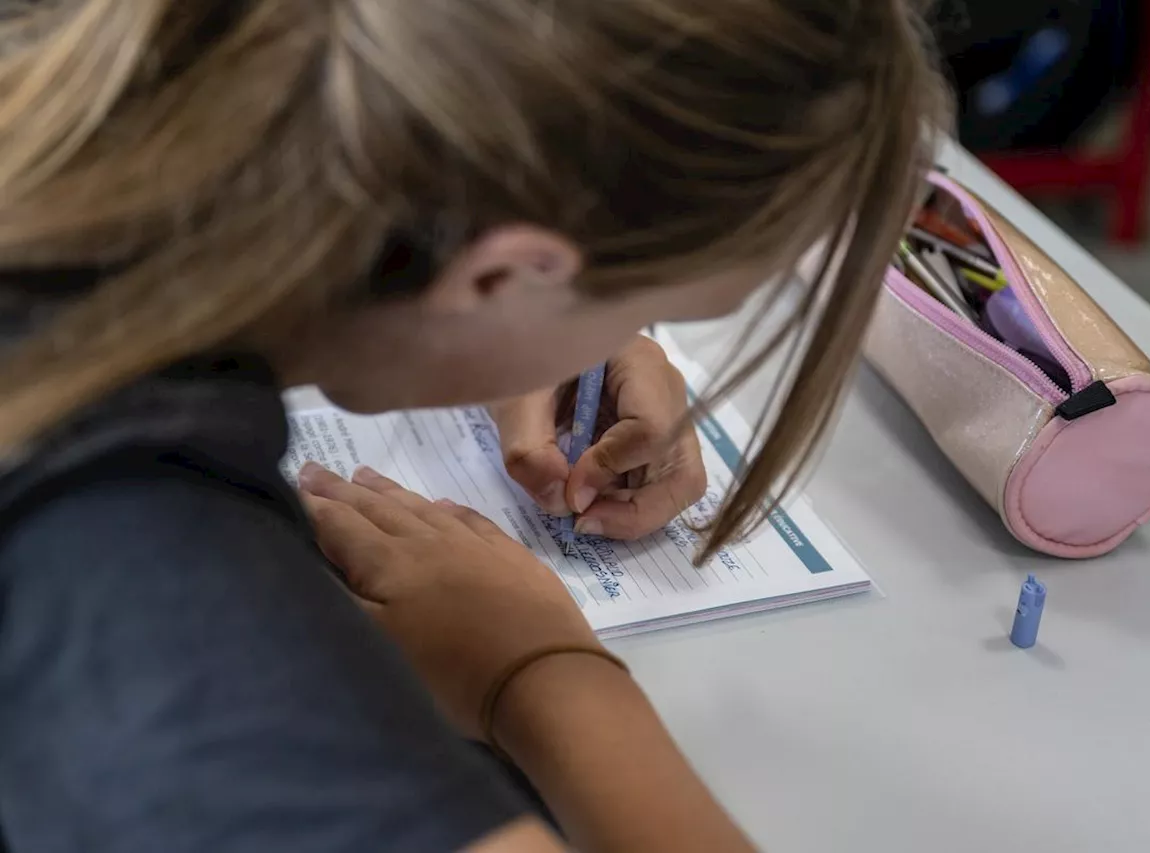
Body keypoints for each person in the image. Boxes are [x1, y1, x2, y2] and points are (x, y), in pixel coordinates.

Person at [0, 1, 944, 851]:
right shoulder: (169, 603)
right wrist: (539, 671)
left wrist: (508, 328)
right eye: (637, 313)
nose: (632, 346)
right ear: (498, 277)